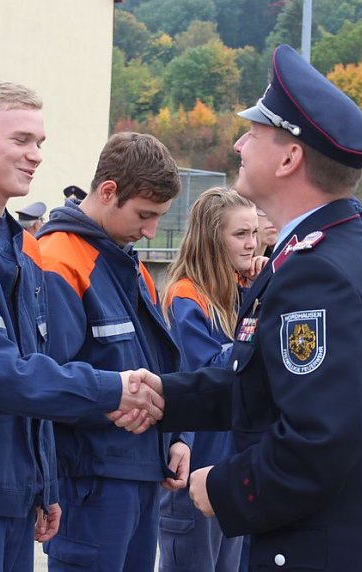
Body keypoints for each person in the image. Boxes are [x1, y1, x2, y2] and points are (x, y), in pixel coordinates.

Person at [115, 44, 362, 570]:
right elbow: (262, 382)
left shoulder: (317, 272)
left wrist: (223, 487)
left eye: (254, 133)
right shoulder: (336, 250)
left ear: (290, 158)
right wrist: (166, 395)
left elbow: (319, 438)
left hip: (336, 547)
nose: (239, 144)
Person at [0, 80, 164, 571]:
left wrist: (44, 482)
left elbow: (36, 367)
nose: (36, 154)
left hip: (14, 499)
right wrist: (109, 389)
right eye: (21, 140)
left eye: (40, 142)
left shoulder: (24, 247)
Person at [37, 132, 187, 572]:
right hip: (91, 481)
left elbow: (159, 363)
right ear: (108, 192)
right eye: (145, 214)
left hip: (141, 472)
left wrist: (176, 438)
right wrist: (109, 401)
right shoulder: (57, 260)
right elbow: (44, 380)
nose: (151, 229)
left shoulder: (130, 264)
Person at [158, 187, 263, 572]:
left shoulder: (237, 291)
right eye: (240, 234)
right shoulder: (186, 297)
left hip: (230, 469)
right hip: (194, 471)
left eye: (254, 233)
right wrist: (263, 314)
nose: (252, 244)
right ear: (211, 238)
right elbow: (216, 370)